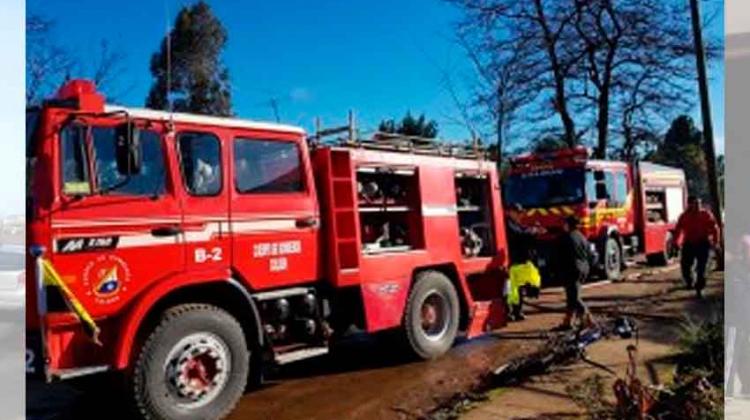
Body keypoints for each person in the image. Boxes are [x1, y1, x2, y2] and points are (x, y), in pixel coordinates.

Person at [553, 216, 595, 331]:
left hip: (571, 270)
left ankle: (588, 319)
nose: (563, 226)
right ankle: (568, 322)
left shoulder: (565, 237)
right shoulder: (582, 237)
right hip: (583, 269)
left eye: (565, 223)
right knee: (571, 296)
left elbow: (557, 256)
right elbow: (590, 255)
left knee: (574, 297)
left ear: (568, 225)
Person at [673, 196, 719, 299]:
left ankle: (700, 288)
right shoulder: (684, 216)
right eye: (695, 203)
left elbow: (715, 228)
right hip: (689, 243)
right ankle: (689, 281)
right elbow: (678, 229)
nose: (698, 206)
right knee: (685, 266)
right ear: (690, 205)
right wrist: (676, 242)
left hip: (703, 243)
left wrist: (716, 242)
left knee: (702, 268)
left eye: (699, 203)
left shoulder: (705, 214)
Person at [506, 247, 541, 321]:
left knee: (513, 293)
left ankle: (513, 313)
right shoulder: (529, 266)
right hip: (517, 268)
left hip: (515, 267)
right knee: (514, 293)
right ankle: (515, 312)